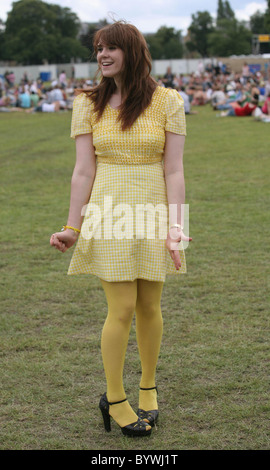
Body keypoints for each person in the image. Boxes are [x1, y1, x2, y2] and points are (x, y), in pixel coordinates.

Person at [50, 21, 191, 437]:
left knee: (150, 306)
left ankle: (148, 388)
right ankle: (114, 398)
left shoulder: (168, 100)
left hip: (153, 211)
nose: (102, 55)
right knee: (123, 308)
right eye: (98, 48)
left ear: (133, 51)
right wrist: (71, 226)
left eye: (111, 48)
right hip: (107, 210)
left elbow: (175, 169)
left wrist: (176, 227)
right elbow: (82, 170)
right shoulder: (86, 103)